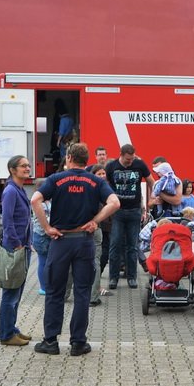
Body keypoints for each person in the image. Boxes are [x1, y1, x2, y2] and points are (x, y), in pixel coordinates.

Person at [30, 143, 119, 357]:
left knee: (54, 292)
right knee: (82, 292)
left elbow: (35, 200)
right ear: (86, 159)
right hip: (84, 242)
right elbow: (114, 203)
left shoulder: (56, 179)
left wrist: (47, 227)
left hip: (61, 241)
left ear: (69, 157)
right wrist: (95, 221)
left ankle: (51, 341)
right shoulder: (95, 180)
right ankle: (78, 343)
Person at [104, 144, 154, 290]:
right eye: (127, 159)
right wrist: (108, 204)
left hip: (134, 211)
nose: (130, 162)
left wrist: (150, 200)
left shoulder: (139, 164)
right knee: (115, 245)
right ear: (121, 154)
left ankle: (132, 277)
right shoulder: (112, 166)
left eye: (132, 159)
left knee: (132, 246)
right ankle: (113, 278)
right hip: (117, 212)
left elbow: (151, 181)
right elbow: (105, 185)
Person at [0, 155, 34, 346]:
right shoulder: (11, 191)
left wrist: (29, 241)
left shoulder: (19, 189)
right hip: (15, 248)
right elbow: (7, 221)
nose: (27, 168)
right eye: (23, 166)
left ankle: (11, 329)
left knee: (16, 292)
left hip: (23, 246)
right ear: (13, 170)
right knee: (11, 293)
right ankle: (6, 335)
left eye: (28, 165)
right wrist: (17, 243)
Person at [87, 164, 113, 306]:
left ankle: (65, 294)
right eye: (99, 174)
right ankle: (93, 296)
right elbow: (114, 204)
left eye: (104, 173)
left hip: (100, 227)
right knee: (95, 260)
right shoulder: (99, 189)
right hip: (94, 226)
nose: (102, 176)